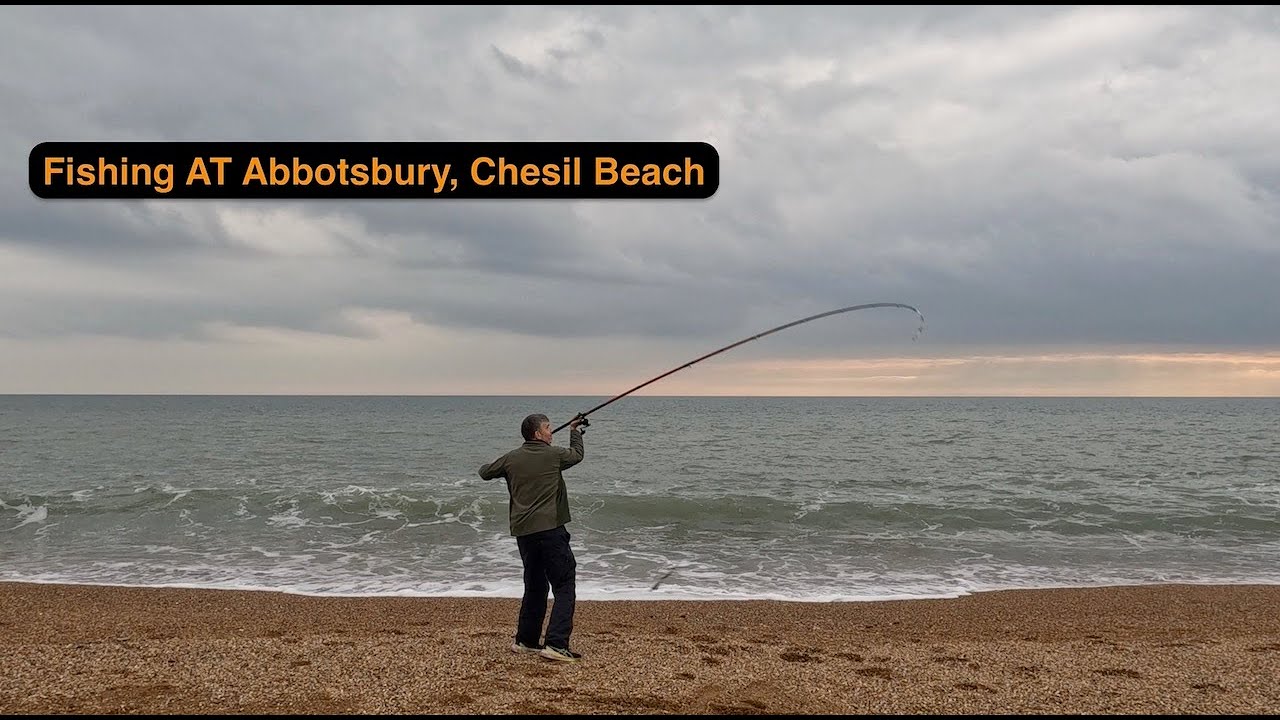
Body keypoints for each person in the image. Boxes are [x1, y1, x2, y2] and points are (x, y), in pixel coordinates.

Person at [478, 412, 587, 662]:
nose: (551, 432)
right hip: (550, 530)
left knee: (536, 585)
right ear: (537, 434)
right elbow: (576, 455)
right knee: (564, 584)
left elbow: (484, 472)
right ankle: (556, 644)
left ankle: (526, 641)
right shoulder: (554, 455)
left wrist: (505, 461)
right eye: (548, 428)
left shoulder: (512, 458)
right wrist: (574, 431)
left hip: (524, 533)